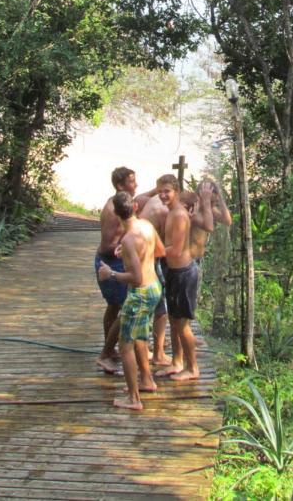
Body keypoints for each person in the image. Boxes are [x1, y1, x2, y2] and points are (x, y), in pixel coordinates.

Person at [98, 191, 165, 411]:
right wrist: (130, 252)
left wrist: (111, 274)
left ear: (116, 214)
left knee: (125, 345)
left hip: (140, 293)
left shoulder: (128, 239)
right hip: (155, 287)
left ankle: (134, 399)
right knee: (140, 337)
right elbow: (159, 251)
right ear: (135, 207)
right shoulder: (145, 225)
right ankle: (146, 380)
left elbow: (135, 277)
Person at [156, 173, 200, 382]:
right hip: (173, 273)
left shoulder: (180, 215)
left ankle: (192, 367)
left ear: (176, 191)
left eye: (167, 191)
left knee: (182, 324)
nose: (163, 195)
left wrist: (148, 249)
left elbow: (175, 250)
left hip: (184, 274)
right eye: (160, 191)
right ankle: (176, 362)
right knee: (173, 321)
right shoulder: (171, 211)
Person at [94, 166, 136, 374]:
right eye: (131, 182)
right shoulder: (112, 211)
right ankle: (106, 352)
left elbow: (142, 196)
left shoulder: (121, 202)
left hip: (114, 262)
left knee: (113, 307)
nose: (136, 185)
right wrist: (124, 246)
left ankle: (109, 351)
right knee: (126, 308)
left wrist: (158, 191)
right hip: (110, 262)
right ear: (120, 186)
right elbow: (107, 244)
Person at [138, 186, 172, 367]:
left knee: (134, 307)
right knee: (161, 307)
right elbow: (162, 249)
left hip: (139, 256)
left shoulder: (150, 200)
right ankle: (158, 353)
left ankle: (153, 348)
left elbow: (138, 197)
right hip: (149, 261)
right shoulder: (165, 210)